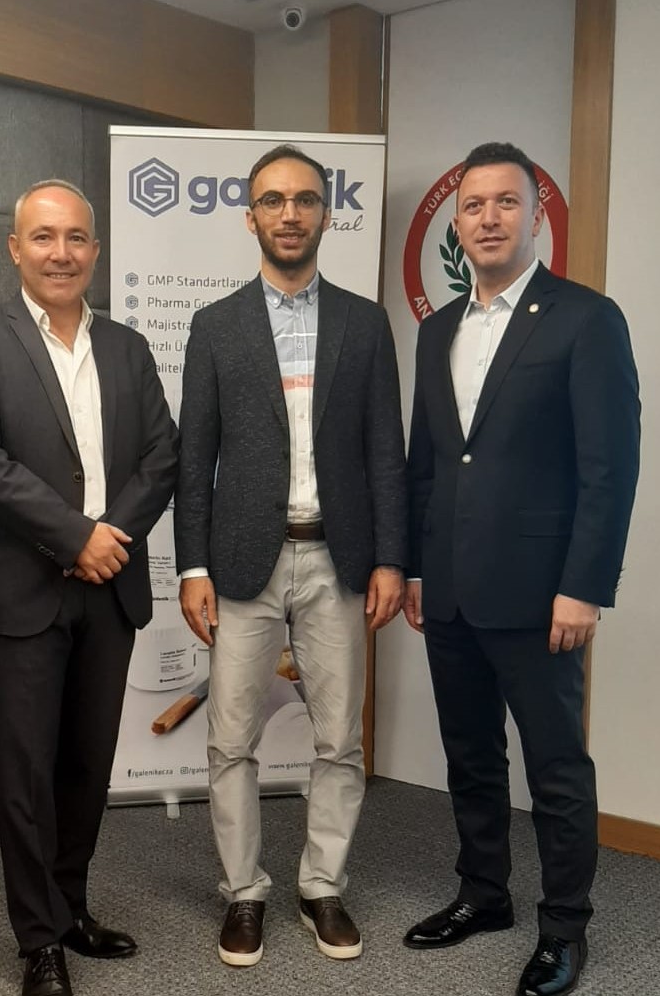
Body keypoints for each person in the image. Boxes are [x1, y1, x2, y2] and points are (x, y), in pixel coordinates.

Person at [403, 142, 640, 996]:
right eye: (473, 205)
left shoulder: (586, 318)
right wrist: (418, 568)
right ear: (456, 223)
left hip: (543, 596)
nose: (489, 218)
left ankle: (564, 928)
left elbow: (609, 467)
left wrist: (585, 585)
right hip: (450, 588)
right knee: (470, 756)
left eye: (506, 202)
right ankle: (484, 893)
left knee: (555, 769)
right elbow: (428, 463)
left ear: (536, 215)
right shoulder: (436, 329)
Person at [0, 180, 178, 996]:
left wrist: (108, 539)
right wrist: (76, 536)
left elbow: (163, 455)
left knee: (86, 762)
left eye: (76, 237)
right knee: (26, 775)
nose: (61, 252)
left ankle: (71, 906)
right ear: (16, 248)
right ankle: (39, 940)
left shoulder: (129, 346)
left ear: (95, 251)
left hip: (109, 588)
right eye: (44, 237)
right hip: (22, 590)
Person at [175, 144, 407, 967]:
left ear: (326, 214)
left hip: (339, 562)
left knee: (339, 739)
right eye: (272, 200)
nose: (289, 213)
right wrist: (192, 567)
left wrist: (391, 558)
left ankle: (320, 885)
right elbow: (194, 457)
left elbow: (385, 451)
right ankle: (244, 892)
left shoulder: (364, 323)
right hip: (243, 564)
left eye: (305, 199)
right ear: (250, 217)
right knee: (230, 739)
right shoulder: (215, 326)